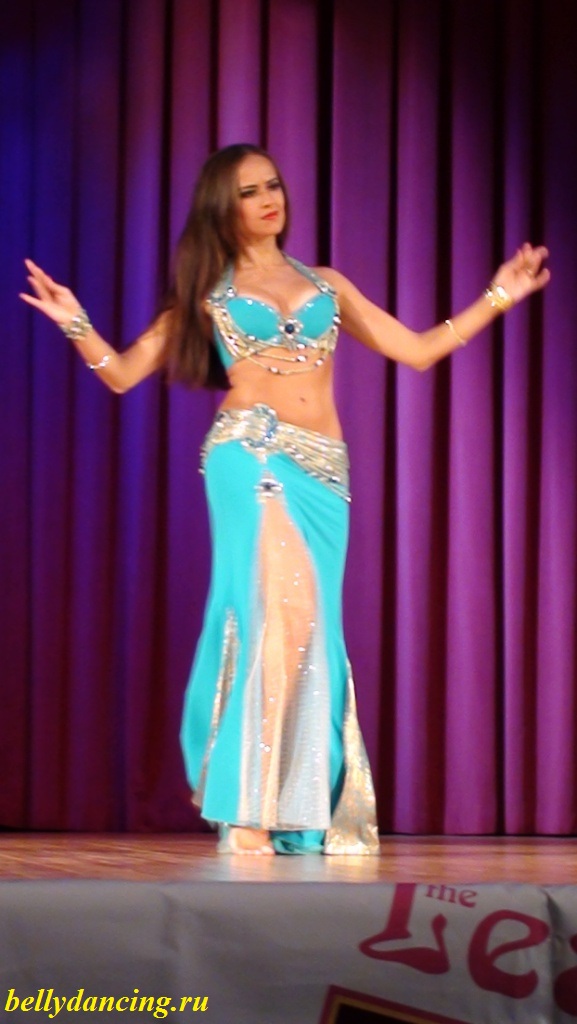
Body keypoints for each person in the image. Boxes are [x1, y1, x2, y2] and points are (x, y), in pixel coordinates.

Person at [20, 143, 550, 856]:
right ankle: (246, 808)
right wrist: (76, 322)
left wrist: (499, 296)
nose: (269, 199)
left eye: (272, 185)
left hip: (325, 473)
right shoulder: (207, 294)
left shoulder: (325, 282)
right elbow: (120, 374)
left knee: (308, 631)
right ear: (222, 206)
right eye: (249, 191)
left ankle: (289, 805)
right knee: (276, 615)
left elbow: (418, 350)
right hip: (252, 453)